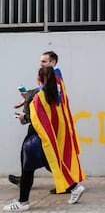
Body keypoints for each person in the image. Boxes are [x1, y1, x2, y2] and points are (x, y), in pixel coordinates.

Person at [4, 67, 85, 212]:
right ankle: (75, 187)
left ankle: (23, 203)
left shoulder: (38, 98)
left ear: (40, 79)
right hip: (48, 139)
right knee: (50, 163)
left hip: (36, 139)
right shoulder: (55, 94)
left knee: (27, 169)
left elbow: (35, 120)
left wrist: (23, 117)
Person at [9, 51, 71, 194]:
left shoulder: (54, 78)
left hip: (40, 127)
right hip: (45, 126)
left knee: (43, 158)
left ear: (53, 62)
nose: (40, 64)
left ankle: (71, 185)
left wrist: (26, 112)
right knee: (43, 158)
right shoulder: (55, 78)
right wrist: (28, 97)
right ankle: (70, 184)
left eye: (44, 61)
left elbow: (43, 101)